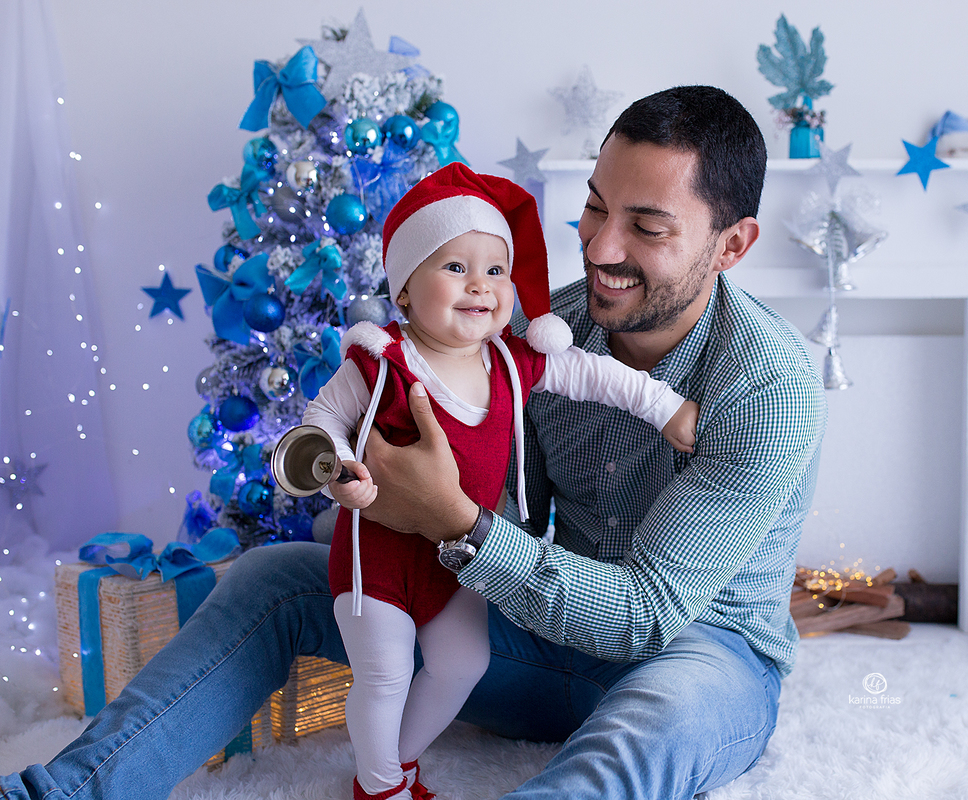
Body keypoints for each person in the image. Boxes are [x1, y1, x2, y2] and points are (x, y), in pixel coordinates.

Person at [1, 85, 826, 800]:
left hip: (695, 655)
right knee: (275, 579)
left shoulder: (768, 387)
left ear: (732, 245)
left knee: (658, 723)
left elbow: (646, 617)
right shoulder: (539, 331)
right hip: (541, 636)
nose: (601, 247)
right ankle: (61, 790)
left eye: (646, 227)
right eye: (596, 208)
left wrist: (457, 522)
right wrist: (361, 463)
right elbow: (437, 422)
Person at [301, 163, 698, 800]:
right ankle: (378, 789)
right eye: (455, 268)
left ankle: (394, 763)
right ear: (403, 290)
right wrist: (339, 472)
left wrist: (665, 408)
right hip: (374, 557)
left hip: (458, 558)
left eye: (496, 270)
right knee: (385, 673)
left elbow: (597, 376)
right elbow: (322, 420)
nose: (480, 286)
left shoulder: (513, 362)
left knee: (466, 663)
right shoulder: (381, 363)